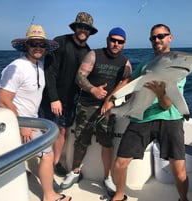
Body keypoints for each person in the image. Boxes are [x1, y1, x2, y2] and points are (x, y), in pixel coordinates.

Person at [102, 24, 189, 201]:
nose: (157, 40)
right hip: (141, 116)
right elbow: (128, 80)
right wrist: (109, 99)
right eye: (153, 37)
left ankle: (183, 199)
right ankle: (119, 195)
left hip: (170, 117)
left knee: (179, 171)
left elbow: (166, 106)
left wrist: (160, 93)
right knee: (119, 164)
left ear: (170, 37)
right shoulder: (146, 64)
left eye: (161, 36)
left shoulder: (179, 67)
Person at [0, 24, 72, 201]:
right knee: (47, 155)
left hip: (31, 120)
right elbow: (3, 100)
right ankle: (49, 196)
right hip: (19, 122)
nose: (38, 48)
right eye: (34, 44)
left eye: (42, 45)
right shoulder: (16, 67)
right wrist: (23, 125)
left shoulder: (39, 66)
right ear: (26, 46)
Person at [60, 27, 132, 195]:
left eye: (119, 41)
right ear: (107, 40)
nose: (116, 44)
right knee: (81, 141)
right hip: (87, 105)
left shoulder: (125, 63)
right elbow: (79, 77)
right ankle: (75, 171)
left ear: (124, 43)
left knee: (107, 144)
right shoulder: (94, 55)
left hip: (109, 110)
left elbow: (127, 87)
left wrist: (114, 103)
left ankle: (107, 177)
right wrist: (93, 90)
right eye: (113, 40)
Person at [40, 12, 98, 177]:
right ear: (75, 27)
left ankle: (55, 163)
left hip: (70, 101)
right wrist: (54, 98)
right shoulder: (59, 42)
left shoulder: (88, 51)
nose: (83, 30)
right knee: (46, 131)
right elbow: (49, 72)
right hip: (51, 99)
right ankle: (43, 161)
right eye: (80, 26)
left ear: (90, 31)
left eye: (87, 28)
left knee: (63, 132)